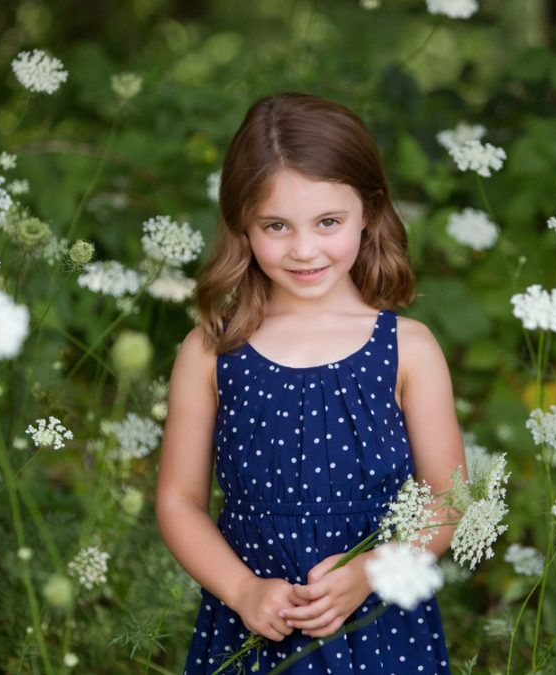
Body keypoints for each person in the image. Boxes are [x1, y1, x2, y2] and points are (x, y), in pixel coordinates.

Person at [156, 92, 465, 674]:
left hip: (383, 629)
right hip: (252, 629)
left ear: (369, 210)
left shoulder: (407, 349)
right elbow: (180, 500)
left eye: (328, 222)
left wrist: (370, 572)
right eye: (275, 225)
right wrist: (242, 590)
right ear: (241, 223)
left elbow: (447, 498)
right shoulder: (212, 352)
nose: (304, 250)